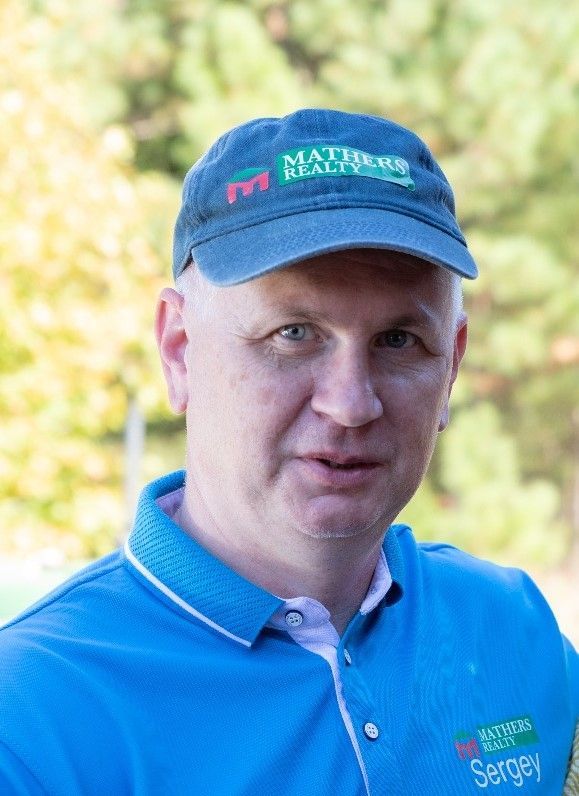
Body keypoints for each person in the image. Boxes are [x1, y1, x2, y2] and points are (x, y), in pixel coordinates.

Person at [0, 108, 576, 795]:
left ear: (450, 366)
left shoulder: (515, 635)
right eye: (294, 333)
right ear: (179, 350)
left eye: (398, 341)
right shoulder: (33, 720)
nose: (350, 403)